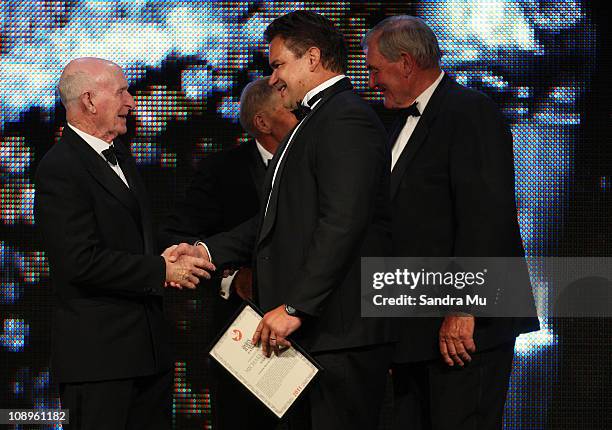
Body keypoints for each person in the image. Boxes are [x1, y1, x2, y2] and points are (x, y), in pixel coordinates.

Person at [169, 10, 394, 430]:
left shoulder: (345, 119)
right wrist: (204, 251)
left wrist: (296, 306)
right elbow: (274, 220)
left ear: (311, 58)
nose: (272, 79)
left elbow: (342, 222)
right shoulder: (314, 122)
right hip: (313, 337)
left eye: (277, 66)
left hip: (338, 337)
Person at [362, 16, 540, 430]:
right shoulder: (401, 122)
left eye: (375, 69)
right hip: (417, 327)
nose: (372, 81)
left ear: (405, 63)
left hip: (465, 331)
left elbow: (487, 216)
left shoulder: (470, 111)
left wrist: (463, 308)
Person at [34, 57, 213, 429]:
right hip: (100, 364)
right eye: (121, 92)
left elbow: (125, 240)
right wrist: (159, 268)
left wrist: (164, 256)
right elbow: (78, 261)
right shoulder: (60, 168)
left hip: (148, 356)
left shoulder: (120, 157)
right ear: (88, 100)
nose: (131, 101)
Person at [160, 76, 297, 429]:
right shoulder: (221, 171)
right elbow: (177, 239)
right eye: (292, 110)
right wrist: (232, 279)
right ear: (262, 122)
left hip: (313, 330)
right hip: (245, 339)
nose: (302, 117)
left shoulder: (322, 163)